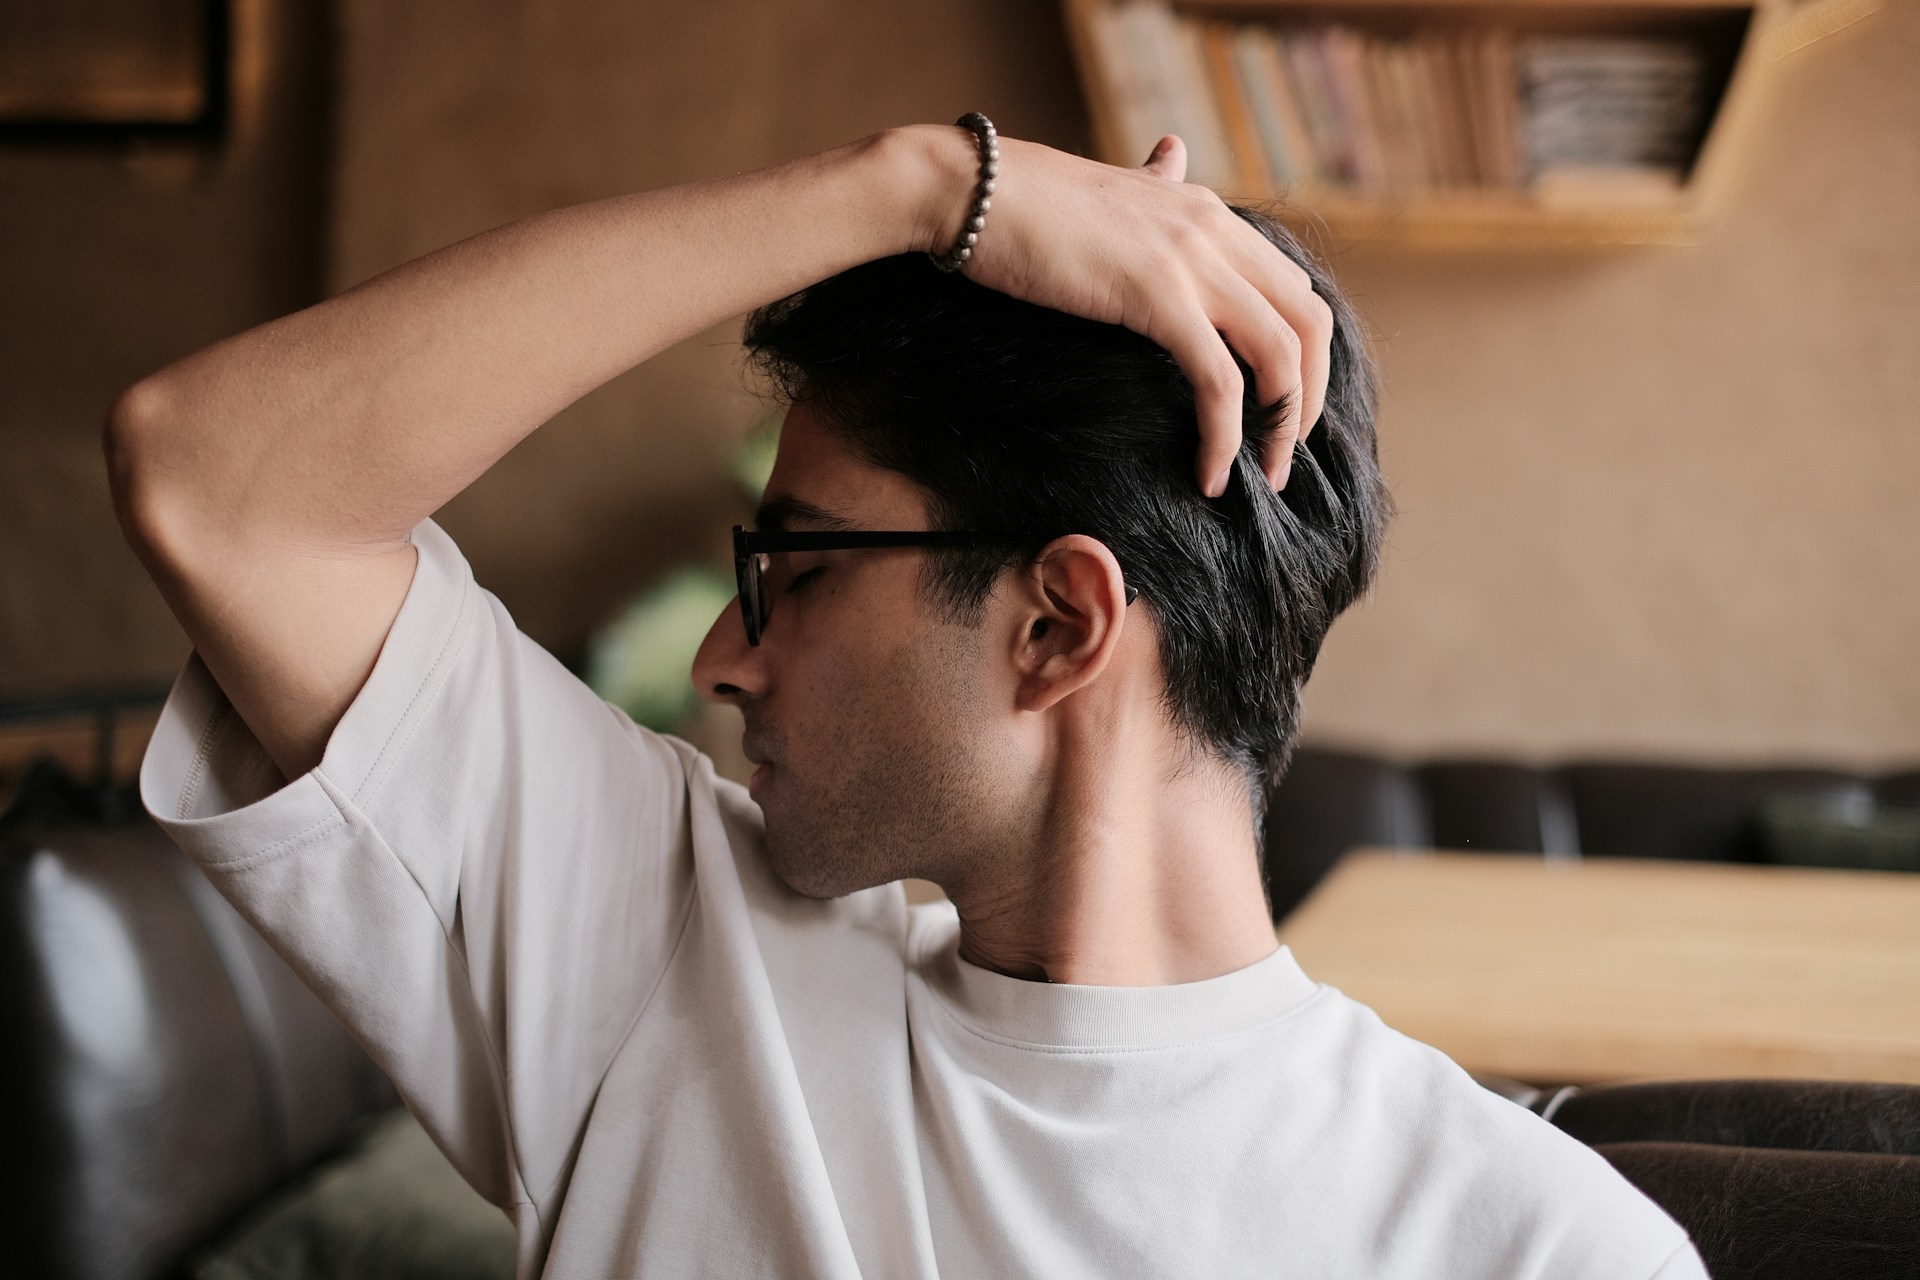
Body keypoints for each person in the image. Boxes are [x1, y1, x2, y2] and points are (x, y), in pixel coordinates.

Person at [110, 121, 1706, 1278]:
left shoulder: (1535, 1250)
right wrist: (921, 187)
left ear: (1057, 626)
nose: (721, 661)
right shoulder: (661, 960)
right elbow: (218, 478)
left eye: (795, 567)